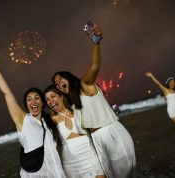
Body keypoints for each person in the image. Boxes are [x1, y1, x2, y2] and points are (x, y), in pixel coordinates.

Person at [52, 22, 136, 178]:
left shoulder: (85, 84)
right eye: (56, 84)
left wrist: (95, 43)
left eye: (60, 79)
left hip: (111, 134)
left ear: (68, 78)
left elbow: (95, 65)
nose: (58, 84)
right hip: (97, 141)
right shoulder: (73, 103)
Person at [0, 54, 66, 178]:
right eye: (29, 99)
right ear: (26, 104)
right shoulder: (23, 120)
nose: (33, 102)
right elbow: (7, 94)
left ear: (43, 102)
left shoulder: (50, 121)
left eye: (37, 98)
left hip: (57, 173)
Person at [44, 85, 105, 178]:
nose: (50, 101)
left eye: (53, 96)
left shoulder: (77, 109)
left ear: (61, 96)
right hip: (71, 165)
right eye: (47, 99)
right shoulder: (50, 120)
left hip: (91, 158)